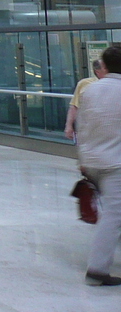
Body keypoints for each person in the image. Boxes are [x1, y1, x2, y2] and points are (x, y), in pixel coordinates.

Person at [77, 44, 121, 286]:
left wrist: (82, 160)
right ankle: (97, 270)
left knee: (114, 213)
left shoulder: (91, 91)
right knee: (114, 215)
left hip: (92, 160)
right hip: (115, 163)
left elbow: (81, 127)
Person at [67, 59, 109, 140]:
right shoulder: (84, 84)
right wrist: (68, 126)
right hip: (89, 130)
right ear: (97, 71)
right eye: (106, 68)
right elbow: (74, 106)